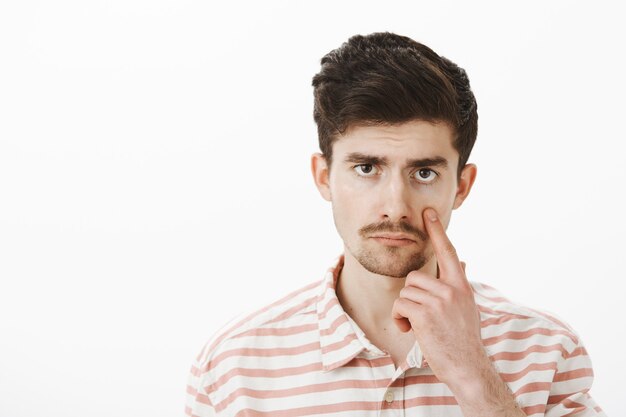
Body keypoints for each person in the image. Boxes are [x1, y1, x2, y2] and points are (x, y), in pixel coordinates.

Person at [185, 32, 606, 417]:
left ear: (461, 186)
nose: (395, 206)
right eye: (367, 168)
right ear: (324, 176)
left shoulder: (546, 352)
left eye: (424, 173)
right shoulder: (234, 369)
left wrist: (473, 376)